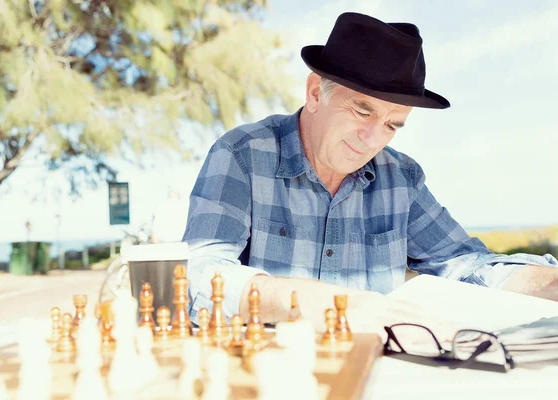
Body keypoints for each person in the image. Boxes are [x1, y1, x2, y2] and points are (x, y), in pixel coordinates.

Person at [182, 12, 557, 335]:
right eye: (362, 112)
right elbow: (199, 278)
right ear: (315, 93)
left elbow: (465, 265)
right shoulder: (242, 156)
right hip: (269, 377)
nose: (373, 139)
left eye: (393, 125)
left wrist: (548, 283)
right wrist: (322, 302)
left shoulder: (402, 178)